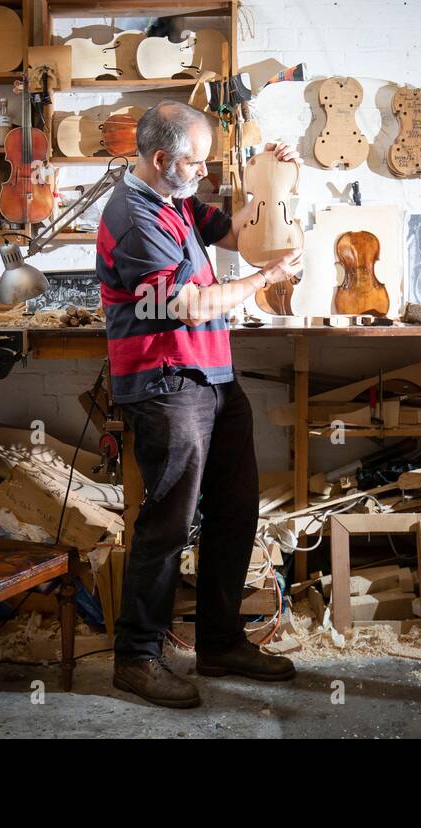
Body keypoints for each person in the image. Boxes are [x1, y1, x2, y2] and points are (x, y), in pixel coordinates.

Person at [96, 100, 304, 708]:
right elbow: (186, 304)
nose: (205, 169)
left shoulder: (179, 199)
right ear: (162, 160)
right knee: (168, 520)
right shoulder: (134, 219)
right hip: (165, 383)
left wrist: (278, 174)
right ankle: (136, 657)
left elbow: (241, 231)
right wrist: (262, 282)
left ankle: (219, 641)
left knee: (237, 507)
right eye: (197, 160)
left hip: (212, 375)